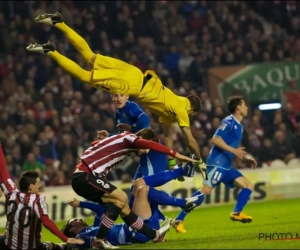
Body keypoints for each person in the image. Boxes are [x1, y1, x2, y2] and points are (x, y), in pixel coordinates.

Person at [26, 12, 208, 179]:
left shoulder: (170, 107)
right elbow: (190, 141)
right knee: (84, 76)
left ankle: (59, 23)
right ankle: (51, 51)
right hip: (132, 85)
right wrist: (200, 161)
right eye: (192, 115)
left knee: (90, 56)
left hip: (135, 72)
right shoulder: (182, 109)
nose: (189, 118)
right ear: (192, 110)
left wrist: (171, 163)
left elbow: (167, 137)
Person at [71, 128, 196, 249]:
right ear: (141, 139)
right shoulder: (132, 138)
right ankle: (99, 240)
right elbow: (145, 143)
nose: (146, 151)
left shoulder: (125, 142)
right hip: (84, 176)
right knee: (122, 196)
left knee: (123, 207)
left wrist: (106, 139)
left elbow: (108, 144)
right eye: (146, 148)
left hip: (88, 177)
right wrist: (176, 154)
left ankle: (155, 235)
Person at [62, 163, 200, 249]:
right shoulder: (81, 237)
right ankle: (183, 204)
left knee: (138, 184)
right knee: (143, 190)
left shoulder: (98, 227)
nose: (79, 219)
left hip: (137, 228)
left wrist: (80, 204)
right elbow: (73, 245)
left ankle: (176, 210)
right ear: (72, 228)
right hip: (136, 233)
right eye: (76, 221)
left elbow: (100, 209)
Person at [174, 96, 257, 233]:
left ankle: (236, 213)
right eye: (244, 105)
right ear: (238, 107)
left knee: (248, 185)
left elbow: (234, 147)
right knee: (204, 192)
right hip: (217, 164)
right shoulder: (228, 121)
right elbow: (215, 139)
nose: (246, 107)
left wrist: (245, 157)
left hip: (227, 166)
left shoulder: (240, 126)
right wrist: (233, 151)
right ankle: (179, 219)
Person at [0, 144, 84, 250]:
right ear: (31, 186)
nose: (40, 185)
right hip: (30, 247)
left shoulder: (10, 192)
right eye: (38, 183)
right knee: (54, 247)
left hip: (8, 245)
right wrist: (65, 238)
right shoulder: (37, 200)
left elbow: (2, 168)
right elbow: (47, 222)